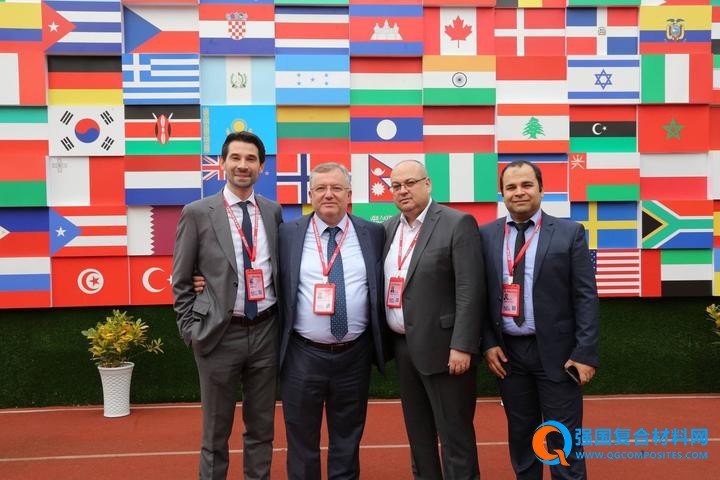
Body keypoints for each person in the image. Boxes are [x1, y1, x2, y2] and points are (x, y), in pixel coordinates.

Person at [172, 131, 283, 480]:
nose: (242, 165)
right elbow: (181, 280)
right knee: (215, 433)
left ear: (262, 167)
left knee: (262, 429)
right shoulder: (196, 213)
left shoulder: (273, 212)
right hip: (218, 335)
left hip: (266, 331)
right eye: (235, 158)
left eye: (251, 159)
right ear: (222, 163)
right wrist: (191, 331)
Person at [479, 160, 599, 480]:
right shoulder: (486, 235)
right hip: (509, 355)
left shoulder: (570, 232)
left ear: (541, 190)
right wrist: (488, 344)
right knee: (522, 437)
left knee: (563, 440)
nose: (519, 192)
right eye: (511, 187)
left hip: (558, 354)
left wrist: (585, 353)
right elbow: (478, 296)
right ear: (502, 193)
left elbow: (585, 296)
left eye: (526, 185)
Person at [277, 162, 386, 480]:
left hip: (355, 354)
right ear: (310, 194)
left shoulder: (373, 233)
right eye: (321, 188)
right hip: (303, 353)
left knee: (347, 439)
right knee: (301, 439)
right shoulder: (287, 233)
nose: (328, 194)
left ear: (349, 194)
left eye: (336, 188)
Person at [382, 159, 485, 479]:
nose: (403, 190)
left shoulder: (457, 223)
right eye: (396, 186)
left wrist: (463, 345)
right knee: (419, 437)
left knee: (455, 438)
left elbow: (470, 289)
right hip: (403, 347)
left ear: (427, 184)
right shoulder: (389, 227)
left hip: (446, 350)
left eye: (410, 183)